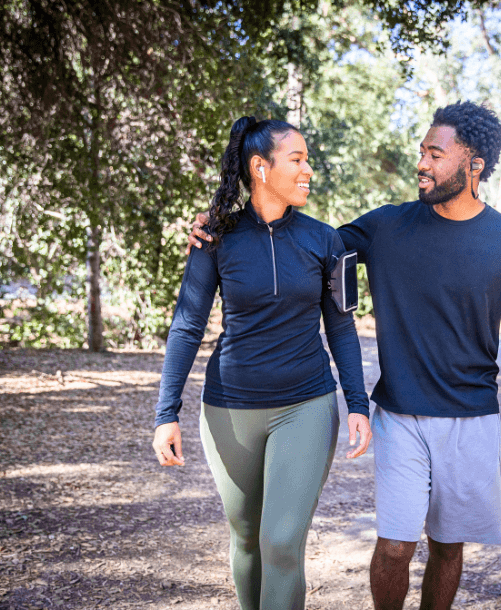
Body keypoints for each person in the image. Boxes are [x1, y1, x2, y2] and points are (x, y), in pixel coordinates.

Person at [188, 101, 501, 610]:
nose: (422, 163)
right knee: (396, 544)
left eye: (435, 153)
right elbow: (308, 242)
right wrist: (229, 226)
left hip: (473, 418)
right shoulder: (384, 227)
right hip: (399, 413)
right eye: (421, 151)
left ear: (474, 167)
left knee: (448, 546)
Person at [154, 116, 373, 610]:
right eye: (297, 159)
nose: (308, 170)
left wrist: (357, 402)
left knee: (281, 540)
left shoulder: (327, 241)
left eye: (307, 160)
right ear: (260, 168)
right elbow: (188, 325)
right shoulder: (215, 237)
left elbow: (341, 327)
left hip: (306, 405)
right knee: (247, 539)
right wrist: (166, 413)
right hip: (229, 412)